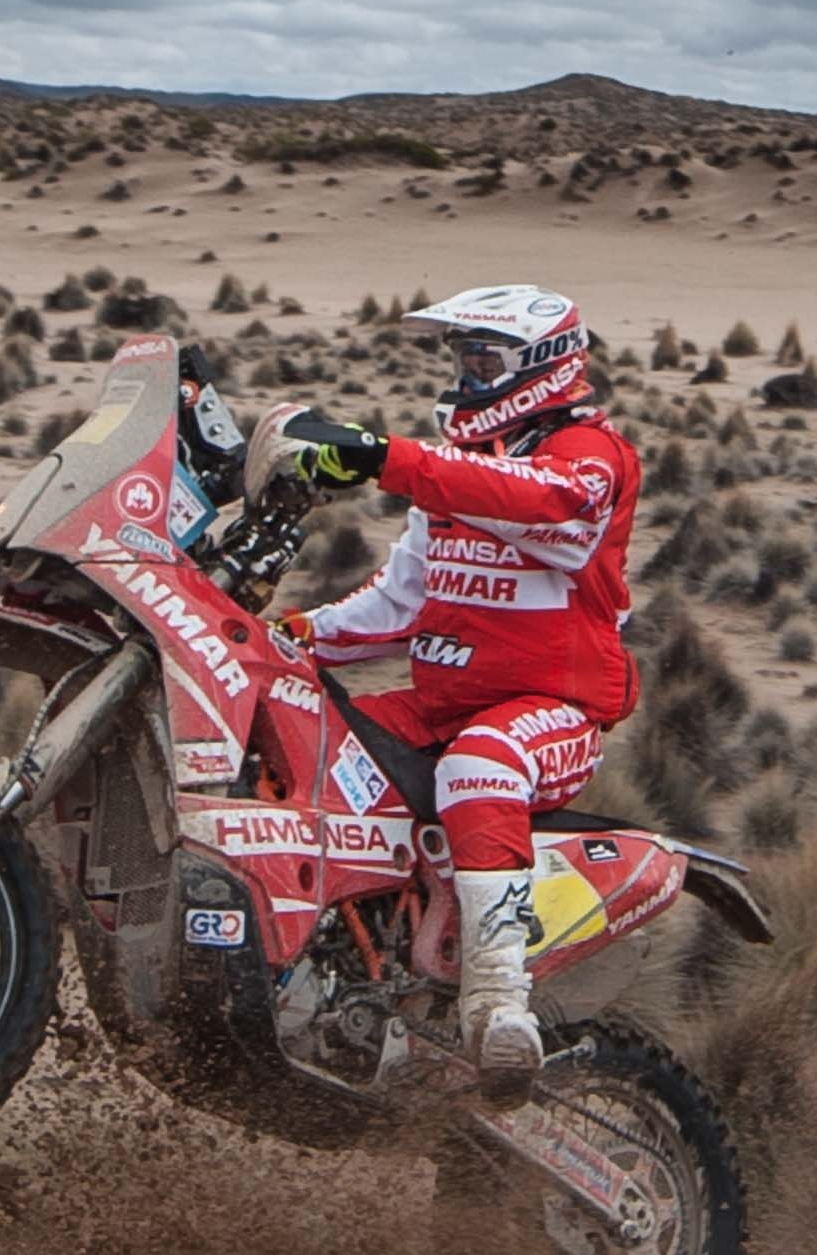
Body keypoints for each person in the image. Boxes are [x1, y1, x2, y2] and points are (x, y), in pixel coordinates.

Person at [260, 286, 639, 1080]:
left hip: (552, 712)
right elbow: (399, 603)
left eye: (485, 358)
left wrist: (392, 459)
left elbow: (551, 509)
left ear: (540, 364)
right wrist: (286, 639)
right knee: (299, 734)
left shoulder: (587, 456)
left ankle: (499, 1007)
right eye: (461, 356)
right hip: (438, 703)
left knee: (481, 765)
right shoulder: (458, 476)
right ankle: (322, 964)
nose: (469, 374)